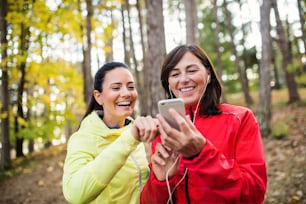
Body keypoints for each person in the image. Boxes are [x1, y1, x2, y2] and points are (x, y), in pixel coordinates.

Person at [140, 44, 267, 203]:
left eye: (192, 70)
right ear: (169, 83)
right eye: (175, 74)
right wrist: (160, 181)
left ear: (208, 74)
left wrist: (200, 154)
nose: (184, 79)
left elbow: (254, 194)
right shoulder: (166, 129)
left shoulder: (240, 118)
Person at [62, 62, 159, 203]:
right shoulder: (83, 138)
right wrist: (130, 139)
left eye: (131, 87)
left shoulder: (132, 131)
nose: (126, 93)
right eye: (116, 88)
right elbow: (74, 194)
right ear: (98, 96)